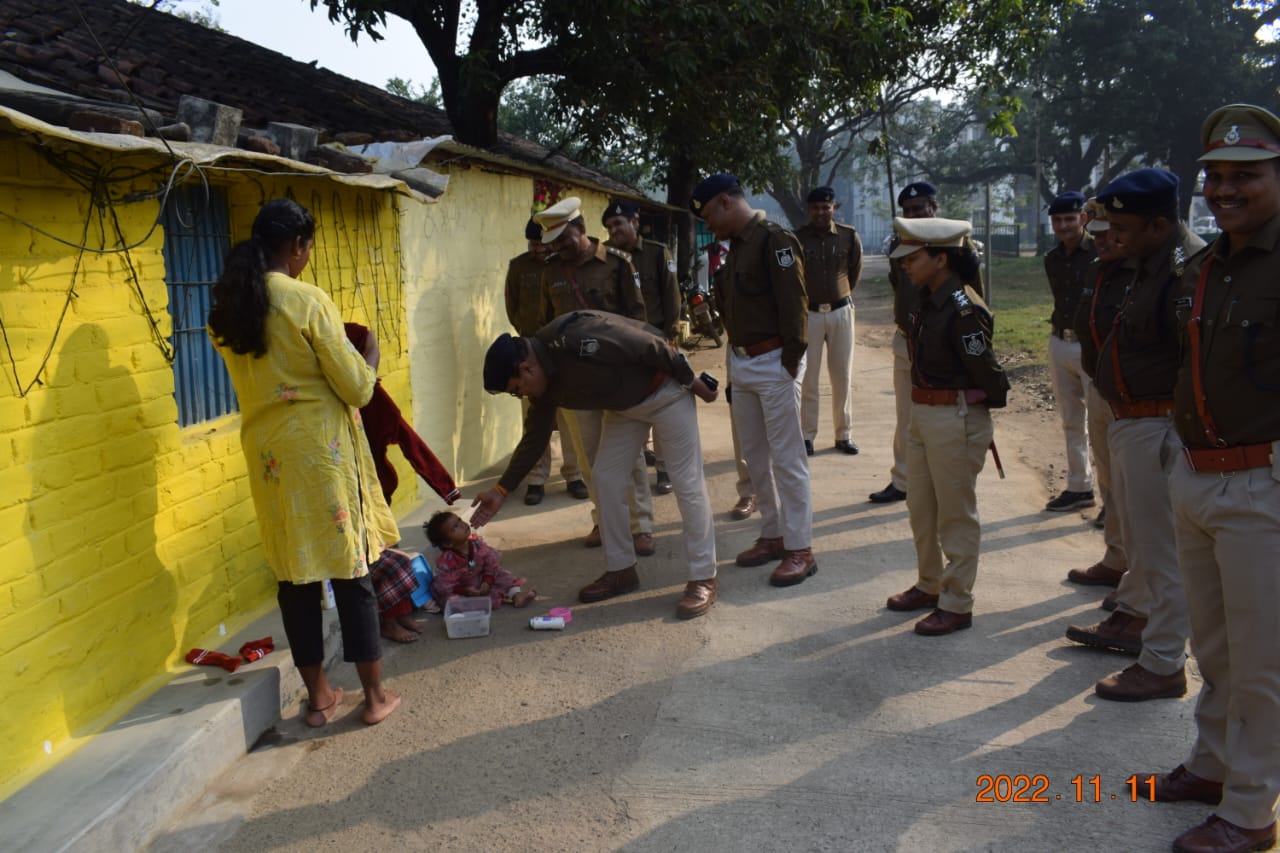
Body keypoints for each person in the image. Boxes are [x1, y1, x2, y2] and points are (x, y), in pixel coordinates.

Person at [1144, 103, 1280, 853]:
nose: (1227, 190)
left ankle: (1253, 811)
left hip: (1263, 483)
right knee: (1216, 644)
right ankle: (1214, 763)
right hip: (1197, 476)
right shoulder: (1205, 265)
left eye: (1247, 176)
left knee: (1263, 660)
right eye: (1217, 177)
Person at [207, 198, 400, 727]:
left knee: (294, 575)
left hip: (269, 457)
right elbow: (357, 388)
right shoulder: (306, 299)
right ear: (297, 247)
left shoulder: (227, 307)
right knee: (349, 568)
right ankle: (375, 697)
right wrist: (372, 356)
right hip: (321, 454)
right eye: (308, 247)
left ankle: (318, 698)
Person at [472, 311, 720, 619]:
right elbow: (534, 438)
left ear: (526, 367)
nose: (520, 395)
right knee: (605, 479)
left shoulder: (575, 336)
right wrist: (501, 490)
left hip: (666, 391)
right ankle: (621, 571)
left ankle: (702, 577)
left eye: (516, 389)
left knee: (687, 483)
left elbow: (649, 346)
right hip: (625, 408)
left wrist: (692, 381)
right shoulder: (544, 384)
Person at [1068, 168, 1204, 702]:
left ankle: (1164, 661)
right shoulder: (1146, 263)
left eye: (1122, 225)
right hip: (1135, 420)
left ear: (1157, 224)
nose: (1110, 234)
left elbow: (1194, 361)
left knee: (1162, 554)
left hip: (1159, 424)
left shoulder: (1184, 271)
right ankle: (1146, 632)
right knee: (1149, 551)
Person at [883, 217, 1009, 636]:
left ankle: (957, 602)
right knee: (921, 508)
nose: (905, 265)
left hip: (955, 416)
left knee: (955, 516)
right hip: (924, 414)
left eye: (914, 258)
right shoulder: (926, 296)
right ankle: (930, 584)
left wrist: (973, 412)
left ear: (941, 259)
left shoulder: (962, 307)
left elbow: (988, 372)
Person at [690, 173, 816, 587]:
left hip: (775, 360)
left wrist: (790, 362)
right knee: (755, 458)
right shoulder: (738, 247)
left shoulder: (773, 240)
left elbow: (795, 303)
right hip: (743, 363)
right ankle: (773, 534)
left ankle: (800, 548)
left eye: (710, 215)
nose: (709, 225)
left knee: (787, 459)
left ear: (726, 201)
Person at [535, 197, 656, 555]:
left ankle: (641, 526)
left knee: (628, 455)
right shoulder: (551, 271)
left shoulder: (617, 264)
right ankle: (604, 520)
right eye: (553, 243)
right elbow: (543, 325)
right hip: (574, 383)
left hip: (617, 379)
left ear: (582, 229)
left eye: (564, 239)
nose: (559, 248)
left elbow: (638, 319)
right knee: (589, 459)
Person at [869, 181, 985, 503]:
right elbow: (899, 286)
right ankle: (904, 480)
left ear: (933, 208)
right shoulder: (899, 246)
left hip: (943, 347)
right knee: (906, 416)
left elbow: (976, 298)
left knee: (946, 418)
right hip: (907, 340)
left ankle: (943, 480)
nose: (914, 215)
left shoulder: (958, 245)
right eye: (907, 211)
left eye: (919, 209)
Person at [1063, 198, 1130, 608]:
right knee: (1109, 479)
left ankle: (1142, 583)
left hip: (1138, 398)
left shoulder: (1152, 270)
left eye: (1111, 234)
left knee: (1138, 490)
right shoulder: (1098, 268)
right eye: (1098, 234)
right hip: (1100, 385)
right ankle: (1117, 557)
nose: (1102, 242)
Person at [504, 217, 588, 505]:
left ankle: (574, 474)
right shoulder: (518, 266)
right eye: (533, 243)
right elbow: (511, 306)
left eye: (542, 243)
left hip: (563, 352)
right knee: (534, 419)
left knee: (570, 418)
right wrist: (529, 340)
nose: (538, 249)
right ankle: (536, 478)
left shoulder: (563, 265)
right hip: (530, 352)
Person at [603, 198, 682, 495]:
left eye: (618, 224)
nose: (614, 231)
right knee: (635, 403)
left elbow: (672, 299)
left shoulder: (657, 254)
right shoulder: (608, 258)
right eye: (610, 227)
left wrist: (671, 338)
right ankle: (638, 463)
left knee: (663, 404)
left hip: (658, 341)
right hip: (625, 346)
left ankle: (663, 468)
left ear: (635, 222)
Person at [343, 322, 460, 506]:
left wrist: (445, 486)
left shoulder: (373, 399)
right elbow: (412, 443)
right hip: (371, 489)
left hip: (368, 490)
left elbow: (411, 442)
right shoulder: (368, 394)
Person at [794, 186, 862, 457]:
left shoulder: (848, 236)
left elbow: (854, 272)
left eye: (826, 207)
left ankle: (843, 435)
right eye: (815, 208)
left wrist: (840, 294)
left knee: (842, 375)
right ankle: (807, 435)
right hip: (808, 313)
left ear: (834, 208)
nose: (821, 213)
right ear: (809, 210)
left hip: (841, 312)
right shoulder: (797, 239)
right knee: (808, 377)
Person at [1042, 191, 1097, 512]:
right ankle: (1079, 486)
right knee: (1072, 420)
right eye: (1058, 220)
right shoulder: (1052, 258)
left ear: (1083, 219)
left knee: (1103, 425)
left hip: (1092, 346)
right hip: (1060, 341)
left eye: (1069, 219)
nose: (1063, 226)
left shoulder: (1099, 253)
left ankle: (1113, 500)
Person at [424, 511, 537, 609]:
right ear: (448, 543)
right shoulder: (447, 561)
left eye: (459, 520)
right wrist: (465, 590)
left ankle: (517, 596)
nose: (462, 525)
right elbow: (445, 585)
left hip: (482, 579)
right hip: (464, 588)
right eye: (455, 527)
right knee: (452, 601)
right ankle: (481, 604)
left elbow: (490, 563)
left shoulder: (477, 545)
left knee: (503, 576)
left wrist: (487, 580)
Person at [368, 548, 424, 644]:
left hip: (370, 550)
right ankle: (390, 625)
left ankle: (400, 614)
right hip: (355, 560)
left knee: (402, 559)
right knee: (390, 567)